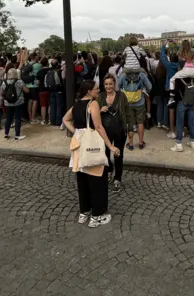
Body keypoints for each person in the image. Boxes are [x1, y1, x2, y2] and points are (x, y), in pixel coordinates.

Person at [63, 80, 120, 228]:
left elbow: (65, 119)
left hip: (79, 146)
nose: (98, 90)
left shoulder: (76, 104)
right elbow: (99, 127)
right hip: (91, 146)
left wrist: (76, 131)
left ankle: (84, 211)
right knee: (97, 179)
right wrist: (110, 146)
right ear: (89, 91)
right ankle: (97, 215)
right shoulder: (93, 104)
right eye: (95, 89)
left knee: (82, 179)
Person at [97, 74, 128, 193]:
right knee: (105, 153)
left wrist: (130, 129)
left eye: (110, 84)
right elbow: (93, 113)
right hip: (104, 132)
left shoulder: (121, 96)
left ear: (114, 84)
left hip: (120, 130)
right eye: (106, 84)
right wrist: (100, 110)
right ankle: (109, 170)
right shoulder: (100, 97)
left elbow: (128, 111)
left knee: (118, 154)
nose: (108, 86)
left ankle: (117, 179)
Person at [118, 68, 152, 150]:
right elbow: (150, 87)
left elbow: (118, 87)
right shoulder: (141, 75)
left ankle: (131, 144)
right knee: (140, 122)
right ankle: (140, 143)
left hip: (128, 102)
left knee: (130, 123)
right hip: (140, 102)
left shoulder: (123, 75)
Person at [3, 68, 29, 140]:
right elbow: (27, 91)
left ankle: (6, 134)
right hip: (18, 103)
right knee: (17, 118)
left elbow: (2, 93)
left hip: (7, 103)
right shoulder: (19, 82)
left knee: (8, 118)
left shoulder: (4, 82)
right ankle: (17, 135)